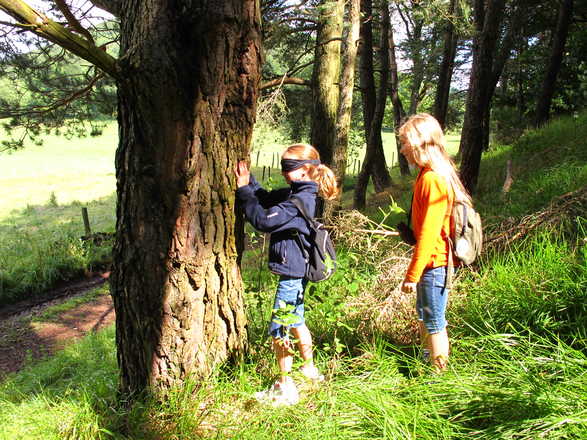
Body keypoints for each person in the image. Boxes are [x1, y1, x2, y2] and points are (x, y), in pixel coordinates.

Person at [235, 143, 339, 405]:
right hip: (297, 269)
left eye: (288, 168)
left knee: (279, 327)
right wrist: (251, 182)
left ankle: (285, 385)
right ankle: (309, 369)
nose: (283, 172)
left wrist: (244, 191)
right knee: (296, 320)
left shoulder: (299, 200)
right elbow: (268, 199)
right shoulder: (300, 191)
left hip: (292, 273)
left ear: (305, 170)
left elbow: (263, 221)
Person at [398, 113, 472, 372]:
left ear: (420, 143)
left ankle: (438, 375)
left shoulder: (432, 180)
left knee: (434, 323)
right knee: (424, 316)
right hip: (430, 264)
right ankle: (424, 363)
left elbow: (430, 235)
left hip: (435, 265)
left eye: (405, 141)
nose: (403, 148)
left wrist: (412, 274)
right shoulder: (426, 174)